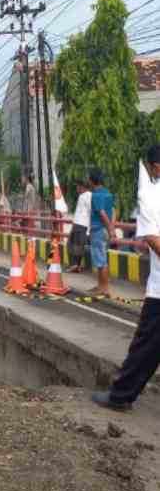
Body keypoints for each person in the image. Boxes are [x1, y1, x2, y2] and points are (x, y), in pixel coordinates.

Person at [92, 146, 160, 411]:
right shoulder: (151, 195)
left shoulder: (150, 196)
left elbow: (153, 239)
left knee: (146, 348)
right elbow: (153, 239)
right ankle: (120, 395)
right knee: (147, 347)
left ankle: (120, 396)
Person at [88, 168, 115, 297]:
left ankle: (105, 288)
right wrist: (112, 227)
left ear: (92, 181)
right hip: (105, 229)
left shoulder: (96, 194)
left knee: (101, 260)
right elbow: (113, 210)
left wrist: (110, 229)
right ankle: (100, 286)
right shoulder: (108, 193)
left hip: (98, 229)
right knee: (101, 258)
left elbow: (102, 213)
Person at [68, 179, 92, 273]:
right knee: (71, 244)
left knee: (78, 246)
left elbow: (90, 212)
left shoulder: (88, 196)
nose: (76, 188)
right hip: (77, 224)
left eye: (77, 186)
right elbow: (78, 213)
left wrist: (89, 230)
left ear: (82, 187)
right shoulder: (81, 196)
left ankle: (76, 266)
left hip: (83, 224)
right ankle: (75, 265)